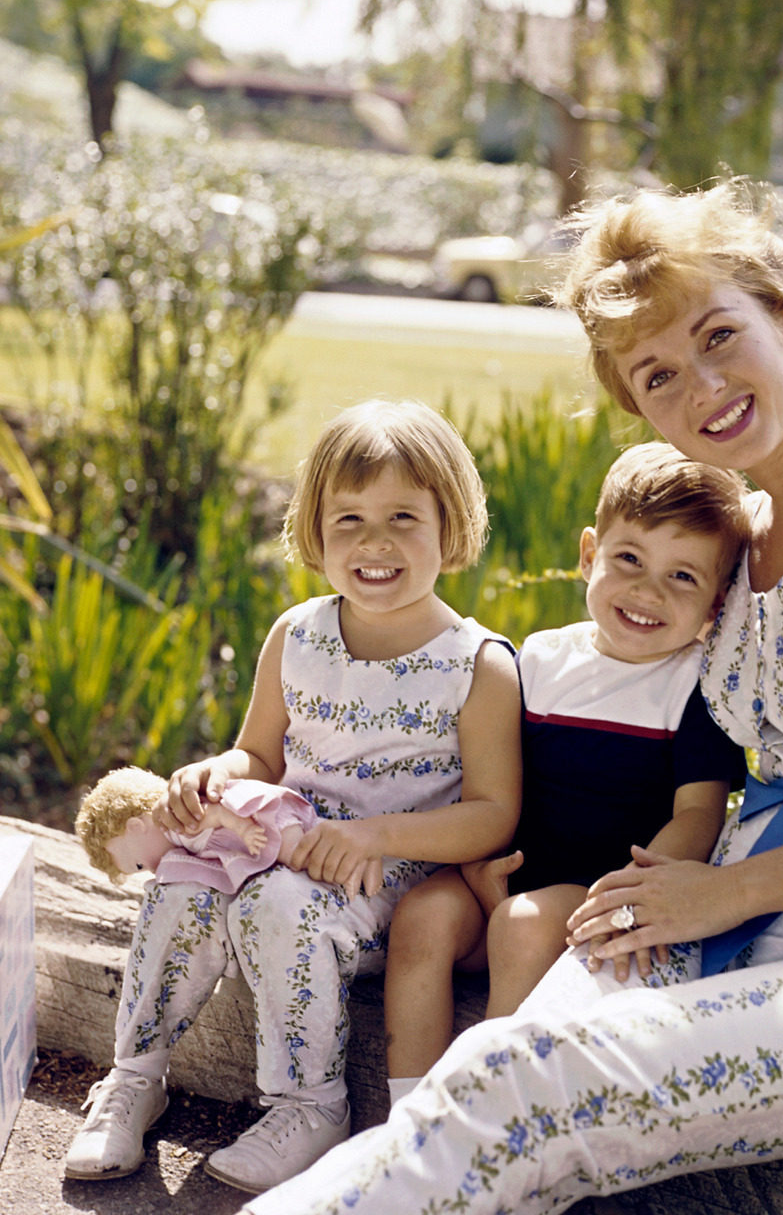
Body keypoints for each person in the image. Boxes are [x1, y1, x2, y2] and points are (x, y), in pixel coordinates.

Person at [236, 180, 783, 1215]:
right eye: (659, 375)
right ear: (639, 408)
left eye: (718, 336)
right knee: (502, 1059)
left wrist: (726, 891)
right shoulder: (731, 539)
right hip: (713, 902)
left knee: (525, 1083)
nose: (700, 386)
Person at [63, 399, 521, 1194]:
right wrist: (217, 771)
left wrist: (376, 838)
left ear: (451, 527)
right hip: (271, 851)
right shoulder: (298, 634)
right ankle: (136, 1076)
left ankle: (312, 1104)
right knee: (179, 884)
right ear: (314, 530)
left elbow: (492, 814)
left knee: (278, 905)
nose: (374, 544)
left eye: (403, 517)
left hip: (381, 884)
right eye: (348, 519)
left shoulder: (475, 665)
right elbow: (261, 753)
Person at [383, 442, 749, 1098]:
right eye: (629, 560)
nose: (647, 591)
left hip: (592, 901)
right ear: (588, 556)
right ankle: (405, 1116)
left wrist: (631, 899)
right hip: (496, 879)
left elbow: (699, 815)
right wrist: (473, 868)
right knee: (421, 917)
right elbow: (488, 779)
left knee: (522, 925)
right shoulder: (538, 661)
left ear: (718, 602)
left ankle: (485, 1114)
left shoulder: (693, 688)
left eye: (683, 578)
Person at [75, 765, 319, 893]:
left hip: (266, 824)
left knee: (303, 855)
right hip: (263, 838)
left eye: (139, 864)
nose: (149, 870)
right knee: (306, 860)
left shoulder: (180, 822)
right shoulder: (178, 840)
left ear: (137, 827)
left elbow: (220, 813)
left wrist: (244, 829)